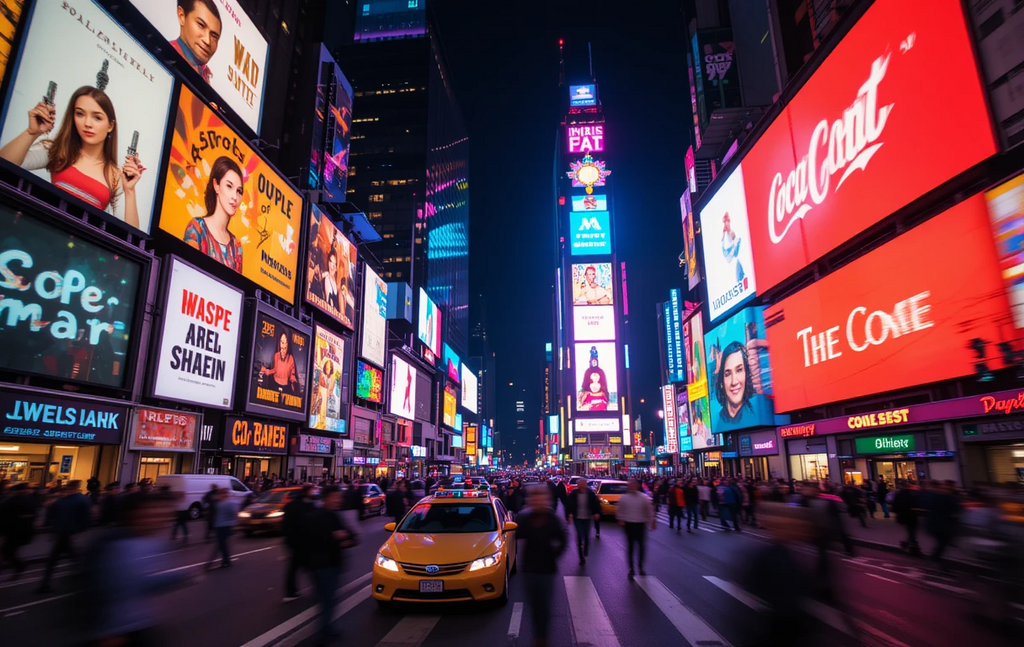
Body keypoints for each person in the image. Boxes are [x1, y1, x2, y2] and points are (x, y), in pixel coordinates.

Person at [0, 75, 145, 227]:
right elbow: (5, 164)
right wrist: (32, 132)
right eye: (80, 114)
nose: (87, 123)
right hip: (41, 233)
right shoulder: (58, 151)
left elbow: (129, 236)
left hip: (83, 246)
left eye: (97, 117)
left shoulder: (116, 176)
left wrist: (130, 191)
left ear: (110, 125)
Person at [83, 491, 196, 645]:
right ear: (136, 515)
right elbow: (110, 587)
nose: (163, 519)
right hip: (119, 628)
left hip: (139, 621)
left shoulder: (149, 541)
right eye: (154, 514)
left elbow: (145, 583)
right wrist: (108, 630)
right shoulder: (116, 545)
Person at [516, 486, 567, 647]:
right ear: (530, 501)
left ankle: (541, 638)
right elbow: (517, 535)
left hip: (547, 569)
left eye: (541, 498)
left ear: (546, 500)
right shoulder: (525, 519)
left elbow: (563, 541)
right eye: (534, 498)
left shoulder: (553, 519)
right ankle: (538, 633)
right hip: (529, 569)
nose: (538, 501)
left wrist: (554, 555)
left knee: (544, 605)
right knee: (533, 604)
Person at [305, 485, 351, 646]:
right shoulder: (317, 517)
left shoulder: (335, 516)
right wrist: (335, 537)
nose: (338, 500)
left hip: (332, 564)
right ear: (326, 498)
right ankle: (322, 634)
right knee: (327, 600)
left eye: (339, 497)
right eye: (335, 497)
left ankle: (327, 629)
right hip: (322, 565)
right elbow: (312, 541)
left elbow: (351, 535)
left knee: (328, 600)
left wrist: (344, 537)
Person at [183, 156, 244, 271]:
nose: (235, 197)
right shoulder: (197, 228)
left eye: (239, 191)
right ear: (216, 185)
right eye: (229, 186)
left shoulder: (237, 246)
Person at [37, 481, 91, 594]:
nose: (67, 491)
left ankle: (45, 584)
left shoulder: (64, 500)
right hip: (66, 533)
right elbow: (86, 518)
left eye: (68, 489)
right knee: (72, 557)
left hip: (64, 533)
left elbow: (51, 513)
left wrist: (49, 525)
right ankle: (83, 579)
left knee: (55, 560)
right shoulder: (81, 500)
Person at [712, 341, 763, 430]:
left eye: (739, 370)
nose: (734, 381)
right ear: (722, 381)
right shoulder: (718, 423)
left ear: (746, 374)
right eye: (728, 374)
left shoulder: (757, 413)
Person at [172, 0, 222, 83]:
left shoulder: (205, 73)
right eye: (201, 25)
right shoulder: (166, 54)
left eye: (214, 36)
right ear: (182, 16)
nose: (207, 41)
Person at [616, 479, 655, 578]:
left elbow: (649, 510)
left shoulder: (643, 497)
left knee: (641, 546)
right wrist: (620, 519)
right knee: (631, 547)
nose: (632, 486)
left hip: (641, 524)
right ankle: (631, 568)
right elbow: (620, 510)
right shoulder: (624, 498)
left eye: (634, 485)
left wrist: (652, 520)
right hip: (629, 524)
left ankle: (641, 566)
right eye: (630, 485)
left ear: (637, 486)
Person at [282, 485, 315, 602]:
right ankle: (319, 588)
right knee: (310, 566)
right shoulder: (307, 506)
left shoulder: (290, 506)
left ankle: (290, 591)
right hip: (303, 541)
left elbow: (285, 524)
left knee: (294, 567)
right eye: (311, 490)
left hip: (293, 541)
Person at [0, 483, 37, 580]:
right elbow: (34, 515)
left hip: (12, 531)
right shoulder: (31, 500)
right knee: (8, 551)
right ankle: (17, 567)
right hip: (25, 531)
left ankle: (19, 566)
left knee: (7, 551)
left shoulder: (10, 501)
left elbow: (4, 516)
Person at [564, 477, 600, 565]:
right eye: (581, 484)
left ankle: (586, 547)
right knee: (580, 535)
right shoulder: (574, 494)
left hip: (587, 517)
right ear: (578, 485)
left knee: (586, 535)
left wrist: (596, 513)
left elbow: (596, 504)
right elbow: (569, 505)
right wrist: (568, 516)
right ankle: (581, 557)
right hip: (578, 518)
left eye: (584, 484)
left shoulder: (590, 494)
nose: (582, 486)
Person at [207, 487, 238, 569]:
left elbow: (233, 513)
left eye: (221, 494)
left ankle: (211, 562)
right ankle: (226, 560)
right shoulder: (219, 503)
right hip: (219, 526)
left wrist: (233, 524)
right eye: (219, 494)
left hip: (225, 526)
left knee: (220, 545)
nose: (219, 495)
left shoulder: (227, 503)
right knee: (222, 545)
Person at [892, 479, 921, 556]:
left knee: (911, 531)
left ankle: (908, 545)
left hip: (903, 516)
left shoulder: (898, 495)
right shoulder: (911, 494)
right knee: (912, 531)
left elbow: (894, 507)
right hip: (911, 516)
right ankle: (911, 546)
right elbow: (915, 504)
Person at [720, 212, 745, 282]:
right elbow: (728, 257)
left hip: (736, 260)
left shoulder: (732, 234)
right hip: (731, 263)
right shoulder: (725, 236)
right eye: (725, 222)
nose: (726, 224)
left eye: (727, 221)